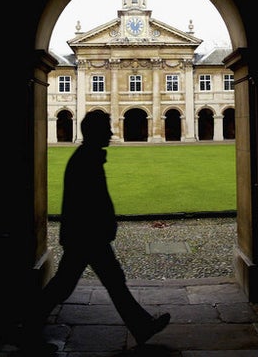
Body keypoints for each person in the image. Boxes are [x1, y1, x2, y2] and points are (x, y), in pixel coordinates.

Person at [23, 110, 170, 351]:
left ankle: (141, 325)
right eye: (107, 129)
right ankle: (27, 325)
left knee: (101, 282)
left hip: (85, 235)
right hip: (87, 236)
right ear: (95, 132)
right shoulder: (86, 159)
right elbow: (89, 202)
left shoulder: (87, 156)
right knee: (74, 284)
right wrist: (105, 224)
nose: (112, 133)